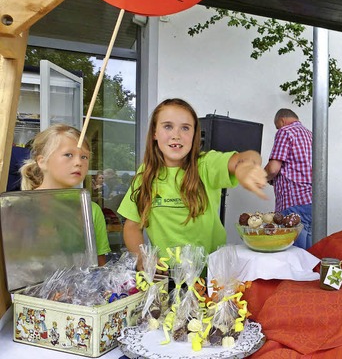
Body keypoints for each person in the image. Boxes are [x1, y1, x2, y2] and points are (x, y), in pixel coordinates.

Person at [118, 98, 267, 266]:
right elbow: (132, 226)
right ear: (154, 132)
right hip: (166, 277)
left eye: (185, 128)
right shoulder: (145, 174)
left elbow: (247, 156)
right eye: (168, 126)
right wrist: (143, 259)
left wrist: (245, 166)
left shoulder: (206, 164)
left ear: (195, 134)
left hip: (211, 277)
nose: (176, 135)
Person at [20, 124, 111, 266]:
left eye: (84, 157)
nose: (78, 162)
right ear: (42, 161)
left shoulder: (91, 210)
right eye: (68, 154)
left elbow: (99, 266)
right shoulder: (19, 208)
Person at [265, 108, 313, 249]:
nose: (277, 129)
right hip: (312, 203)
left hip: (293, 203)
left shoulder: (285, 131)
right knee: (311, 256)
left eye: (277, 126)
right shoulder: (311, 135)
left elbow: (273, 168)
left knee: (295, 256)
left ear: (282, 121)